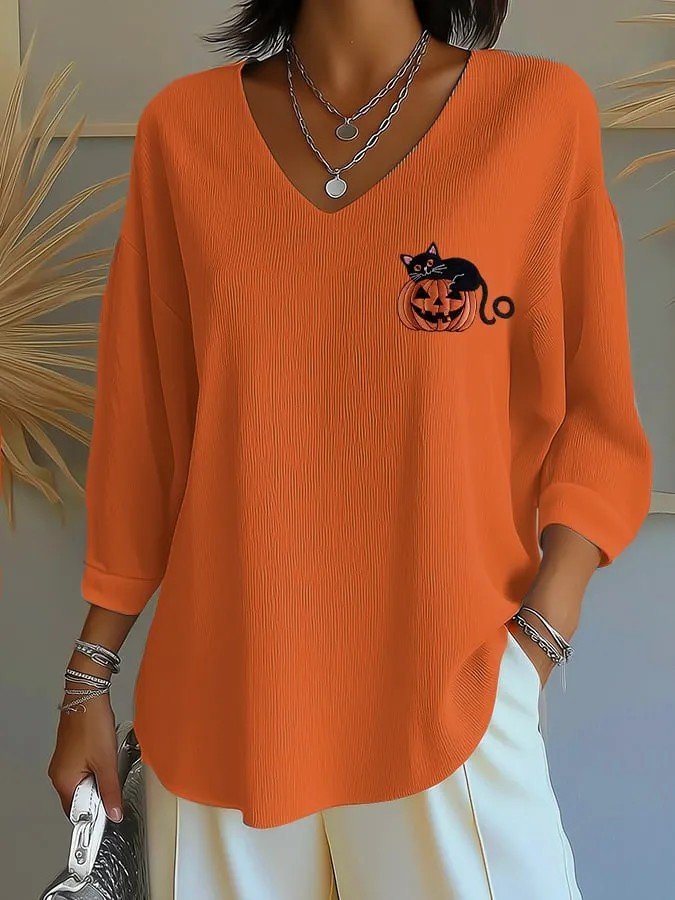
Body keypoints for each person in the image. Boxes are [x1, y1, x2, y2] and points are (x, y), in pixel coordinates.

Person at [48, 0, 653, 896]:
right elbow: (148, 437)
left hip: (450, 703)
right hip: (223, 710)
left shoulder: (535, 115)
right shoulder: (183, 131)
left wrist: (531, 650)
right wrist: (88, 676)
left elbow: (596, 422)